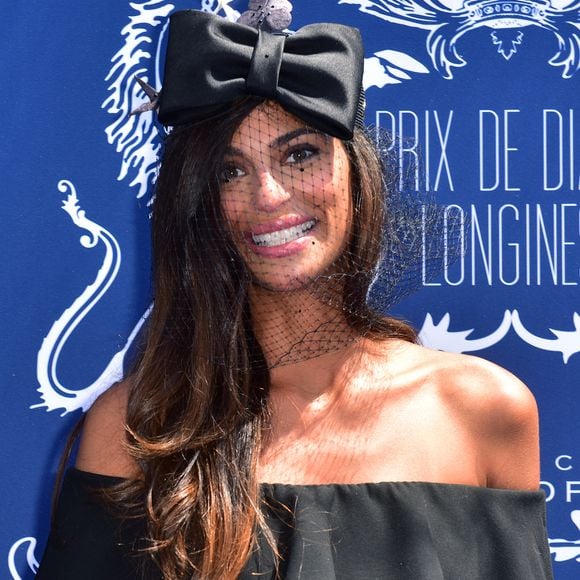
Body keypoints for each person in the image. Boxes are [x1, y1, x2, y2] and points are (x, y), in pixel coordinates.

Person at [37, 4, 553, 580]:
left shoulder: (482, 409)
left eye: (301, 154)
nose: (270, 196)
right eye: (230, 172)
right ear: (198, 203)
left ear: (357, 178)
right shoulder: (140, 428)